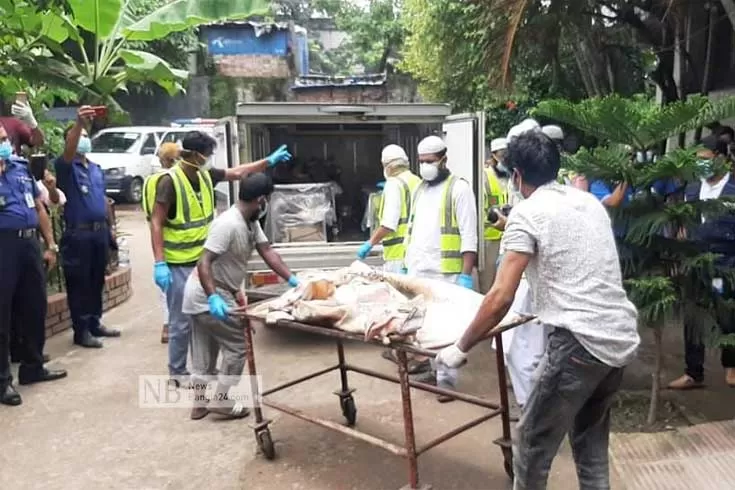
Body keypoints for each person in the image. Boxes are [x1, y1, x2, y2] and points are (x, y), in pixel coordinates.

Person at [436, 130, 639, 489]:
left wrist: (459, 347)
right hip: (618, 339)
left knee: (531, 445)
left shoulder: (526, 215)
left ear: (516, 176)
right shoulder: (587, 201)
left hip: (579, 343)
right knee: (589, 443)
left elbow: (500, 297)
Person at [148, 132, 292, 387]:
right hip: (181, 262)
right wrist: (160, 262)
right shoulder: (170, 182)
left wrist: (267, 162)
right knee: (182, 321)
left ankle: (202, 388)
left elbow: (238, 172)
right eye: (206, 154)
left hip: (205, 258)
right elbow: (157, 222)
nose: (209, 160)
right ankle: (178, 373)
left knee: (201, 331)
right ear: (193, 154)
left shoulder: (205, 175)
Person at [182, 173, 299, 420]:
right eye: (266, 200)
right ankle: (222, 400)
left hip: (204, 293)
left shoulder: (250, 221)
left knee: (204, 350)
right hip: (207, 292)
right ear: (260, 199)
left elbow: (267, 251)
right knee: (238, 345)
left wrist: (292, 279)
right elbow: (204, 262)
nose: (267, 204)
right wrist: (214, 297)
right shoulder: (228, 224)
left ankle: (200, 404)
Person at [403, 135, 478, 401]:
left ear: (444, 159)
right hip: (419, 268)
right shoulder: (420, 189)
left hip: (446, 271)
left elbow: (470, 234)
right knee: (425, 327)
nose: (425, 167)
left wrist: (466, 275)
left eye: (430, 161)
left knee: (446, 328)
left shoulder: (459, 188)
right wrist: (405, 263)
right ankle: (435, 370)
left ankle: (447, 380)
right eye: (422, 162)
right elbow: (412, 229)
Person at [0, 149, 67, 406]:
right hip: (3, 245)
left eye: (5, 139)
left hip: (29, 242)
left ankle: (33, 367)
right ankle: (3, 381)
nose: (4, 144)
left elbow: (38, 205)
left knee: (34, 307)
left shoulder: (20, 167)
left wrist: (50, 244)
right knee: (2, 314)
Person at [669, 135, 735, 390]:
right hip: (696, 264)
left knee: (726, 314)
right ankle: (693, 372)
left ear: (720, 158)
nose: (702, 166)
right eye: (698, 161)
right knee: (693, 316)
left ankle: (731, 367)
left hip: (725, 264)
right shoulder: (693, 189)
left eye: (706, 160)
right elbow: (685, 225)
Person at [54, 106, 119, 349]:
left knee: (95, 280)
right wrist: (79, 123)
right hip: (78, 233)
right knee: (79, 283)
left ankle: (94, 322)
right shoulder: (66, 167)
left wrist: (110, 229)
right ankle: (80, 330)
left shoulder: (94, 168)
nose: (83, 139)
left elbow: (102, 200)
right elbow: (69, 152)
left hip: (98, 231)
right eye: (78, 137)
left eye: (84, 136)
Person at [356, 144, 421, 273]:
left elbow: (389, 224)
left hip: (398, 255)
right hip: (417, 254)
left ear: (389, 166)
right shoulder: (417, 181)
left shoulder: (393, 184)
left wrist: (370, 243)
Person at [143, 142, 179, 344]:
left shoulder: (149, 181)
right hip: (174, 238)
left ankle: (167, 325)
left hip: (157, 237)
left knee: (165, 287)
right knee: (176, 286)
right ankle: (172, 326)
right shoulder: (171, 181)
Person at [479, 137, 509, 293]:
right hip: (490, 237)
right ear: (494, 155)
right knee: (488, 282)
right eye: (502, 154)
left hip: (507, 235)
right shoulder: (485, 176)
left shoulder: (511, 175)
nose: (505, 157)